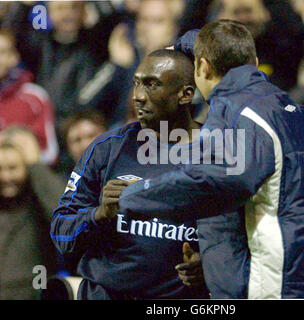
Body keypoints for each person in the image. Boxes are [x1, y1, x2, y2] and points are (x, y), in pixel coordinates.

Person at [118, 20, 304, 299]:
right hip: (298, 273)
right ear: (253, 62)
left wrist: (134, 194)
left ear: (203, 67)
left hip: (270, 286)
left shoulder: (240, 114)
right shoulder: (282, 105)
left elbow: (209, 183)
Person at [50, 49, 208, 300]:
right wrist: (99, 215)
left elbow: (244, 238)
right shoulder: (107, 148)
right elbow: (61, 233)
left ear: (186, 94)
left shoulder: (217, 154)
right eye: (136, 83)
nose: (138, 96)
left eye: (152, 85)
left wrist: (211, 267)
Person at [0, 126, 66, 299]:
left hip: (33, 293)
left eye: (13, 168)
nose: (6, 177)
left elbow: (63, 214)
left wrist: (36, 165)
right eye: (0, 169)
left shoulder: (38, 199)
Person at [0, 29, 59, 165]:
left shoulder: (34, 96)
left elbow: (49, 153)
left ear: (14, 57)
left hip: (27, 177)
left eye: (2, 52)